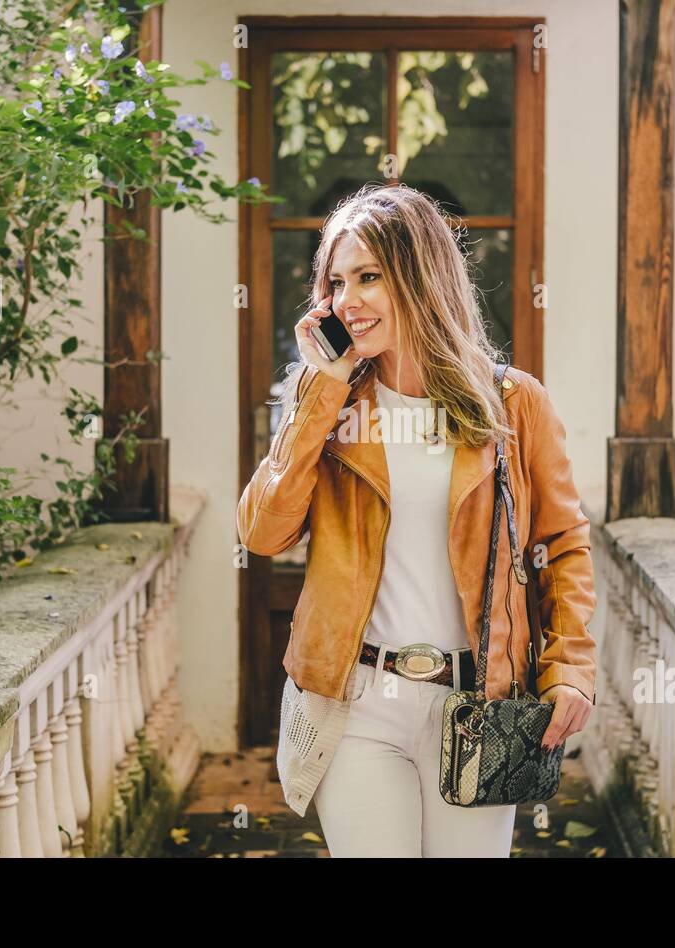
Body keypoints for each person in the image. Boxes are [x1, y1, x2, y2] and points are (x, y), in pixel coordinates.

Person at [237, 182, 597, 857]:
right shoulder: (329, 402)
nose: (348, 299)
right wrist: (320, 390)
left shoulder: (513, 404)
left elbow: (563, 542)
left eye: (369, 276)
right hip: (359, 704)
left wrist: (570, 664)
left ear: (420, 275)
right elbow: (263, 532)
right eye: (337, 282)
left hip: (478, 707)